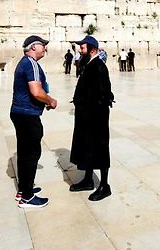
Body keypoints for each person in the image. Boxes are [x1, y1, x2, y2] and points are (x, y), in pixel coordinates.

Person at [10, 35, 58, 208]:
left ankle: (24, 189)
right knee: (31, 153)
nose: (45, 48)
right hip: (27, 115)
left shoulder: (24, 62)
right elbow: (36, 91)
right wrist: (50, 100)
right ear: (33, 47)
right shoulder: (31, 63)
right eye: (43, 45)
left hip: (19, 112)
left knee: (23, 152)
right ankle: (28, 198)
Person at [69, 35, 114, 201]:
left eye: (83, 48)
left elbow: (102, 95)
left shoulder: (99, 66)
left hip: (96, 119)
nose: (80, 50)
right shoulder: (88, 64)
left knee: (100, 148)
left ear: (92, 49)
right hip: (86, 118)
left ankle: (105, 186)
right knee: (87, 146)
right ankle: (88, 180)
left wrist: (90, 113)